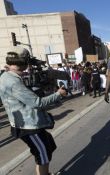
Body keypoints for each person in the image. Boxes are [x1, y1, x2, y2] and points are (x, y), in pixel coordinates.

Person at [0, 46, 67, 175]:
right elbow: (37, 103)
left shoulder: (7, 76)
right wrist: (58, 94)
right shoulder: (13, 81)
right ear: (23, 62)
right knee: (43, 154)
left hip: (29, 122)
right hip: (28, 126)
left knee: (49, 145)